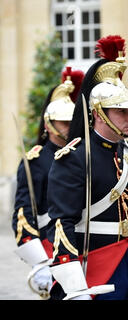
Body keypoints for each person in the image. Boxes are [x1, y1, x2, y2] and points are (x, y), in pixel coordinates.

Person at [46, 35, 128, 300]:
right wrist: (73, 284)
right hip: (95, 266)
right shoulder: (73, 157)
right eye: (122, 111)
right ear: (98, 113)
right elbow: (62, 223)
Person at [12, 66, 84, 299]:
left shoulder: (80, 155)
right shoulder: (35, 160)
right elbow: (23, 214)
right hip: (49, 245)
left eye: (70, 122)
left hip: (82, 241)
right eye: (63, 123)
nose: (68, 127)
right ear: (49, 124)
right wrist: (38, 261)